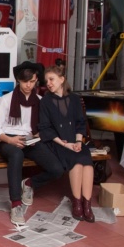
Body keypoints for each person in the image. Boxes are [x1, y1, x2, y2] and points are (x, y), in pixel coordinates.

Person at [0, 61, 64, 225]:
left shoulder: (39, 100)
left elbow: (43, 128)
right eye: (25, 82)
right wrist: (10, 140)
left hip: (30, 141)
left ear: (36, 80)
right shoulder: (6, 100)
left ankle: (30, 183)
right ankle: (16, 204)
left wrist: (36, 137)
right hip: (8, 140)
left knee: (57, 169)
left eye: (32, 81)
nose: (28, 86)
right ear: (18, 80)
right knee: (16, 155)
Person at [39, 65, 95, 223]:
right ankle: (77, 203)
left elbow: (80, 122)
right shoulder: (46, 101)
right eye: (46, 81)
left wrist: (78, 141)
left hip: (75, 140)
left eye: (51, 79)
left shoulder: (75, 99)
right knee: (76, 162)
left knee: (87, 162)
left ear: (62, 79)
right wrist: (65, 144)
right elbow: (45, 128)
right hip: (58, 143)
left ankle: (87, 204)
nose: (48, 83)